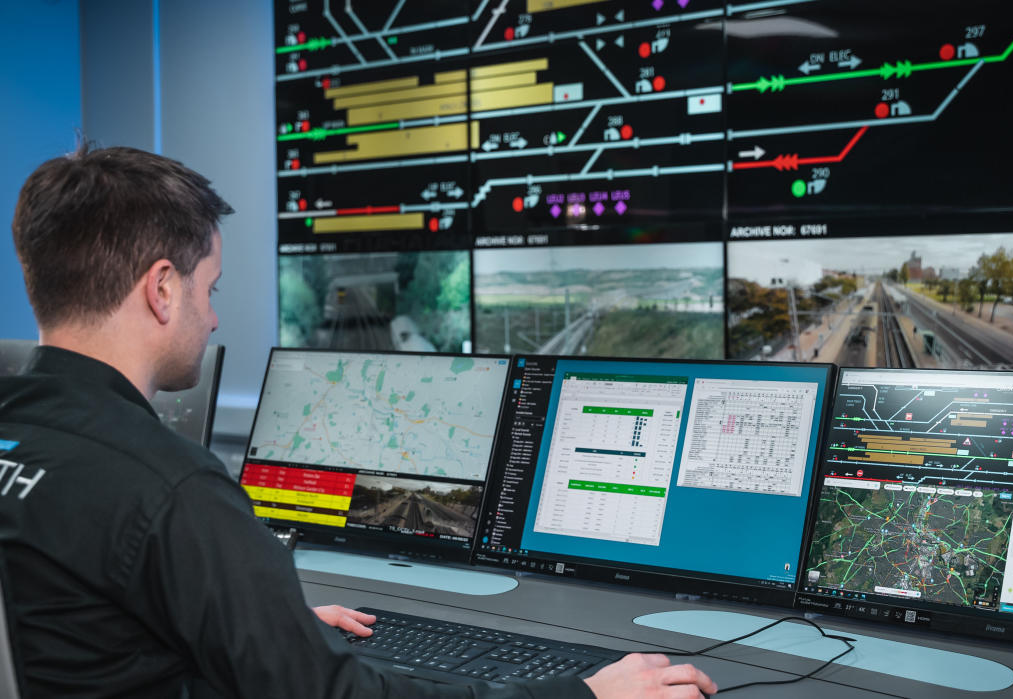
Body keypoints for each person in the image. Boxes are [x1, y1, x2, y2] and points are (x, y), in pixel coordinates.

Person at [0, 144, 717, 699]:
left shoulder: (25, 435)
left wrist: (253, 626)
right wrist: (583, 691)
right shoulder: (172, 488)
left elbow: (78, 627)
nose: (213, 315)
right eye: (208, 289)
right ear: (162, 288)